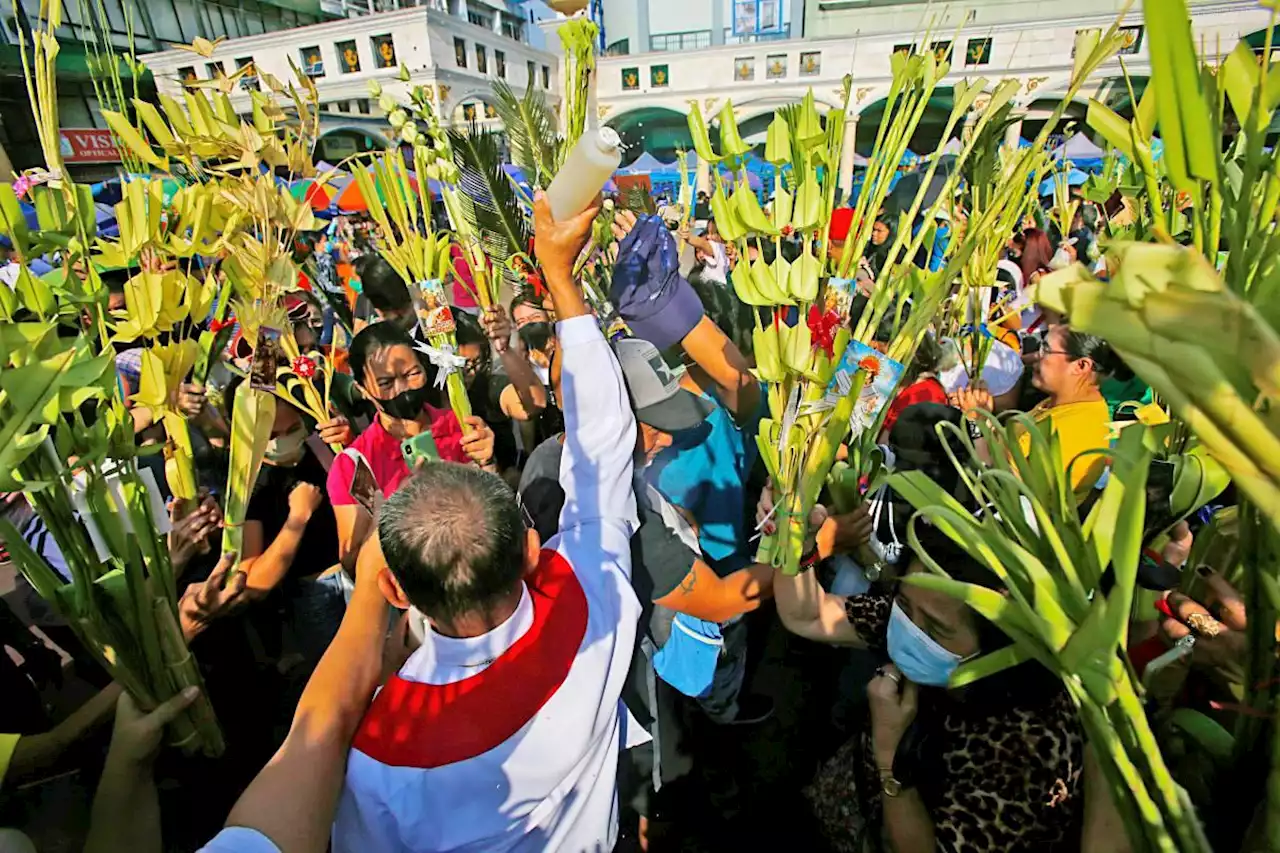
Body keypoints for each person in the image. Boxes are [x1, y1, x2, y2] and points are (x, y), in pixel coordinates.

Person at [331, 190, 648, 852]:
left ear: (397, 591)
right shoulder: (590, 595)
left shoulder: (382, 751)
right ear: (531, 546)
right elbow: (603, 448)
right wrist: (560, 277)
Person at [764, 499, 1123, 853]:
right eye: (904, 604)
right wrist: (800, 543)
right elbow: (809, 614)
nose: (909, 631)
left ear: (1004, 645)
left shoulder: (1028, 751)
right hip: (840, 807)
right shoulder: (919, 612)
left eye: (936, 627)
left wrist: (890, 755)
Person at [326, 321, 496, 570]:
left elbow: (495, 512)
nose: (403, 389)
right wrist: (390, 514)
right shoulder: (354, 464)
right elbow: (353, 563)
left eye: (412, 374)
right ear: (363, 389)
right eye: (386, 383)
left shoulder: (463, 426)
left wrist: (488, 464)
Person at [224, 378, 345, 670]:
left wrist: (347, 440)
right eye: (270, 435)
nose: (283, 442)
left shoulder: (321, 447)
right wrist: (297, 518)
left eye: (292, 430)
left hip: (357, 575)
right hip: (314, 598)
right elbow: (254, 584)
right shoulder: (250, 488)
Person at [954, 324, 1114, 499]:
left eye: (1046, 349)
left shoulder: (1074, 432)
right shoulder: (1063, 401)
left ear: (1081, 366)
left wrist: (975, 422)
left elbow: (1001, 488)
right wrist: (983, 414)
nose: (1037, 356)